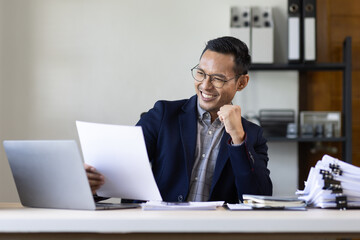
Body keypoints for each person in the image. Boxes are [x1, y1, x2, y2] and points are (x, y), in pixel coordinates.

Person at [85, 36, 272, 203]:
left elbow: (258, 198)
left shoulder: (252, 135)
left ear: (241, 83)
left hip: (213, 231)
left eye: (217, 78)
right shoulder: (163, 114)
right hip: (158, 228)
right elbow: (121, 169)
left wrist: (238, 138)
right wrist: (90, 183)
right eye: (200, 73)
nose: (205, 85)